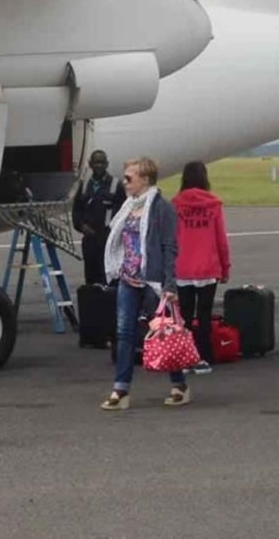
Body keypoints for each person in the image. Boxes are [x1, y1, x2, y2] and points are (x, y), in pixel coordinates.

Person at [99, 157, 185, 411]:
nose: (125, 183)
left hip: (152, 281)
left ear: (145, 179)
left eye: (129, 178)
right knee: (124, 334)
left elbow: (169, 246)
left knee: (163, 333)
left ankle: (179, 384)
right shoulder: (128, 207)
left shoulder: (162, 209)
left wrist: (170, 285)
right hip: (128, 278)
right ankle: (121, 389)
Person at [172, 161, 229, 374]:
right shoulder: (213, 204)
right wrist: (225, 267)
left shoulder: (176, 204)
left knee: (184, 315)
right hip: (207, 267)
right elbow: (220, 239)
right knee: (204, 315)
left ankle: (185, 357)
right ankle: (203, 357)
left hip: (183, 267)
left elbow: (171, 239)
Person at [72, 150, 125, 285]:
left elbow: (123, 211)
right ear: (90, 164)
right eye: (95, 163)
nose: (98, 166)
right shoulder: (84, 186)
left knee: (107, 274)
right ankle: (93, 303)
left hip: (107, 237)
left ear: (106, 164)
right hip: (89, 237)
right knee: (91, 275)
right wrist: (81, 226)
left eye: (101, 163)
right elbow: (76, 210)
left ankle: (108, 303)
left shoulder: (116, 185)